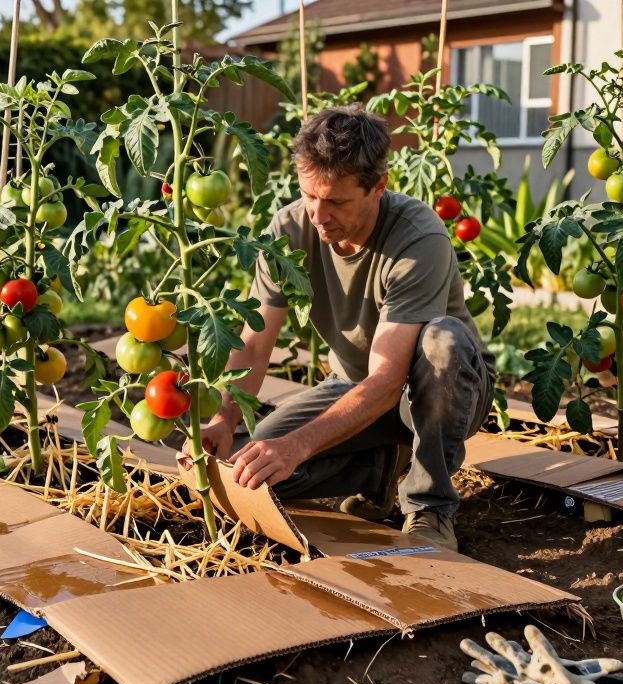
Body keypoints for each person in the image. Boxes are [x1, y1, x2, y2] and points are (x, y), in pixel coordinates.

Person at [192, 104, 495, 551]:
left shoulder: (417, 238)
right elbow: (255, 342)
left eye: (335, 201)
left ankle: (429, 507)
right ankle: (380, 467)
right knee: (257, 469)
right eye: (308, 195)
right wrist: (224, 417)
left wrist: (300, 445)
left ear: (378, 187)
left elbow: (388, 379)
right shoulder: (290, 230)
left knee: (441, 342)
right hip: (353, 386)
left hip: (441, 391)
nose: (317, 213)